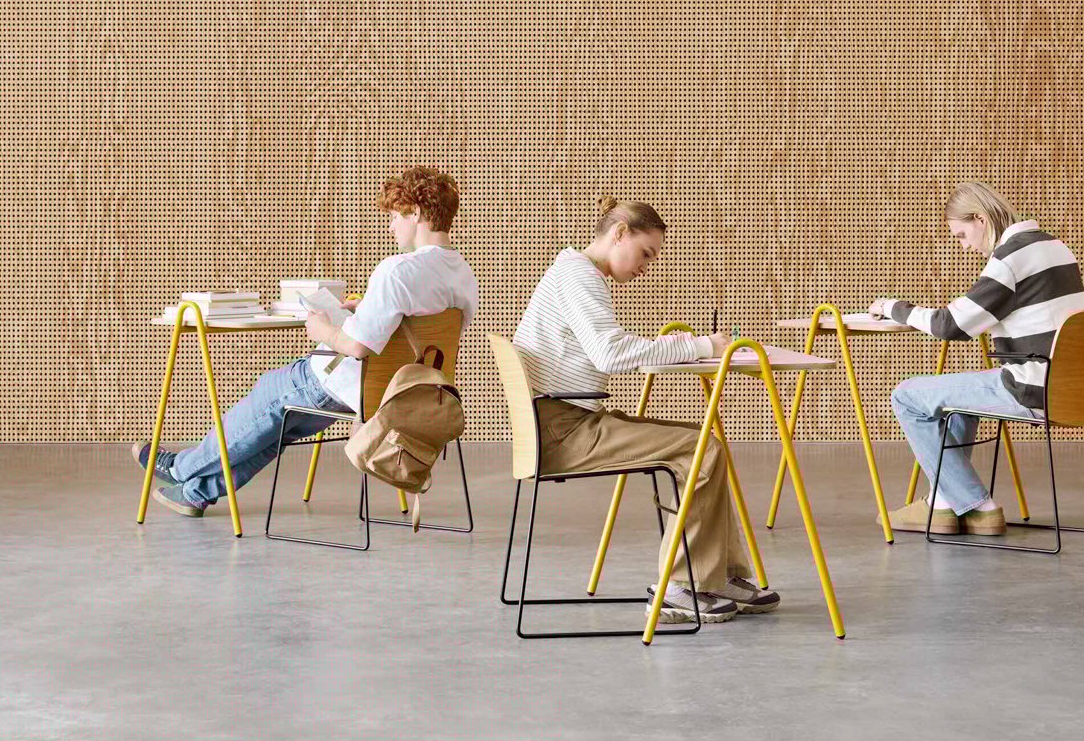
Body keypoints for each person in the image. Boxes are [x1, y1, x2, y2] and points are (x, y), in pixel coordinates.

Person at [135, 167, 479, 516]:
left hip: (348, 383)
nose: (391, 227)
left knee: (271, 392)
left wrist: (321, 329)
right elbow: (421, 330)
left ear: (416, 212)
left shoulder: (397, 270)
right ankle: (195, 492)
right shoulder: (462, 273)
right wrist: (366, 309)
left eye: (394, 216)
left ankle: (179, 468)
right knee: (279, 427)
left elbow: (357, 347)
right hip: (401, 394)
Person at [513, 197, 779, 624]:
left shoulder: (573, 271)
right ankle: (681, 585)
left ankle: (717, 575)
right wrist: (701, 345)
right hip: (562, 431)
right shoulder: (578, 275)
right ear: (620, 233)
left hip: (564, 420)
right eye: (645, 253)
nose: (646, 267)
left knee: (704, 443)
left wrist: (677, 347)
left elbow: (607, 345)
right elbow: (610, 354)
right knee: (702, 450)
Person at [870, 181, 1084, 535]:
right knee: (954, 400)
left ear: (981, 219)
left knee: (906, 396)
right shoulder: (1055, 246)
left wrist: (893, 307)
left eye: (962, 235)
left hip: (1031, 389)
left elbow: (950, 325)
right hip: (1073, 392)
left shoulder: (1011, 258)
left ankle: (978, 507)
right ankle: (942, 504)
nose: (965, 246)